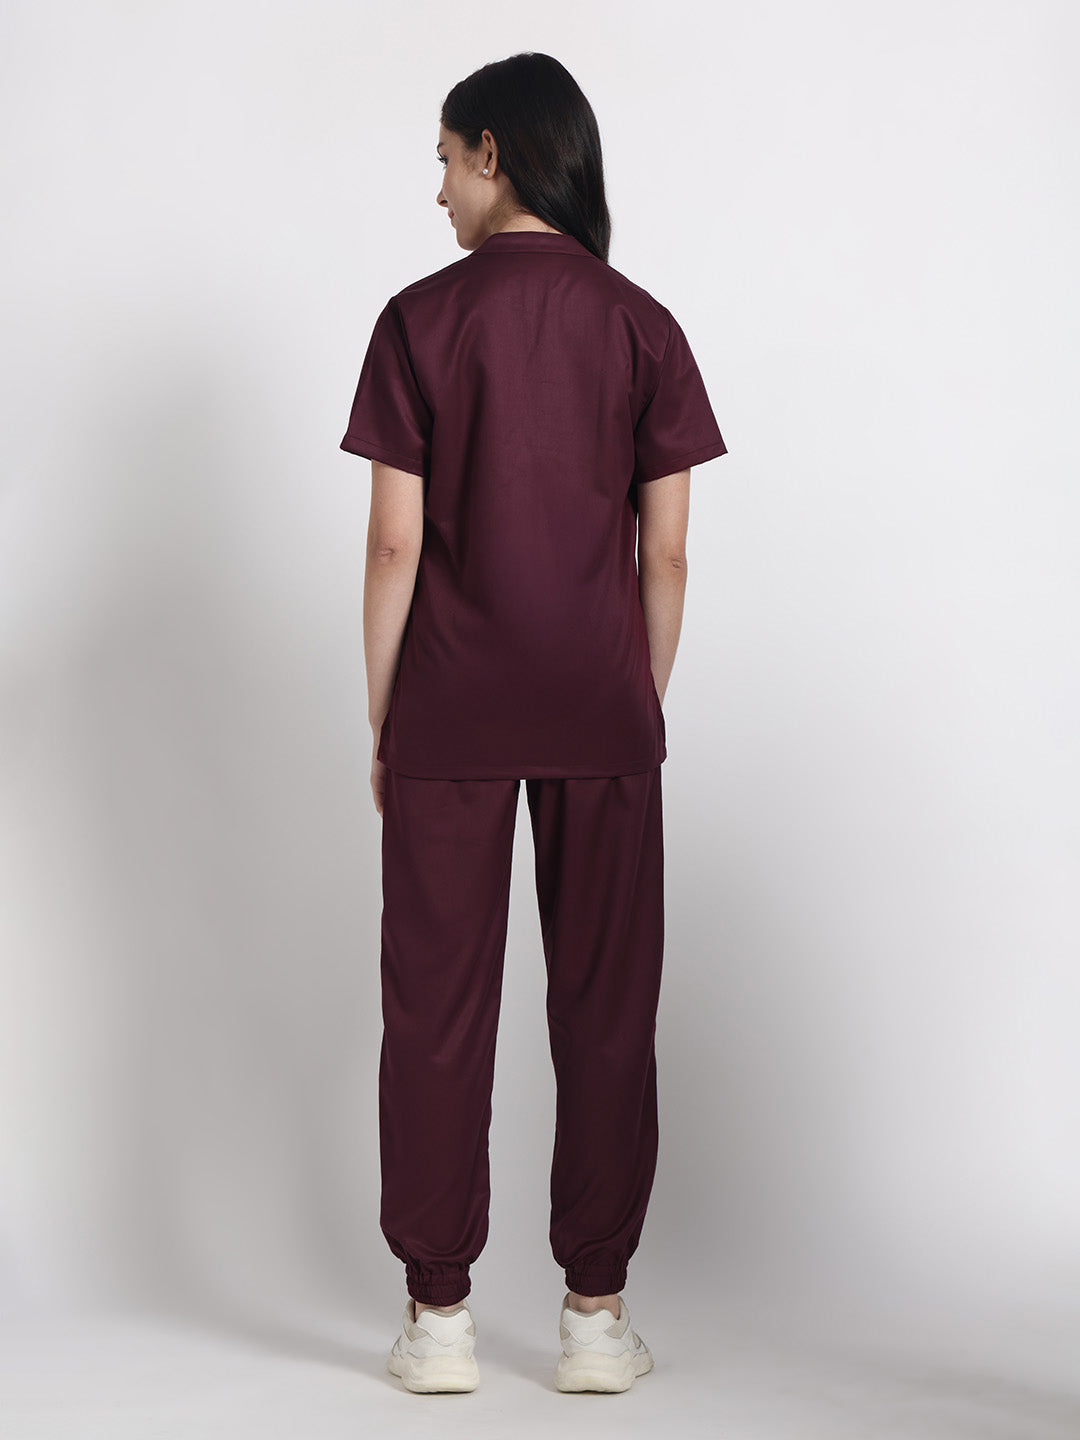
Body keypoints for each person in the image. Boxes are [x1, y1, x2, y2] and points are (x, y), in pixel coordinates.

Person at [340, 52, 728, 1395]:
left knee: (434, 1011)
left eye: (447, 161)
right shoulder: (643, 326)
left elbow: (395, 546)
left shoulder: (416, 321)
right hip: (602, 712)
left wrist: (385, 718)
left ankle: (438, 1321)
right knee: (608, 1010)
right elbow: (666, 556)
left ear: (495, 154)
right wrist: (633, 698)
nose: (439, 190)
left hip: (448, 710)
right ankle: (595, 1320)